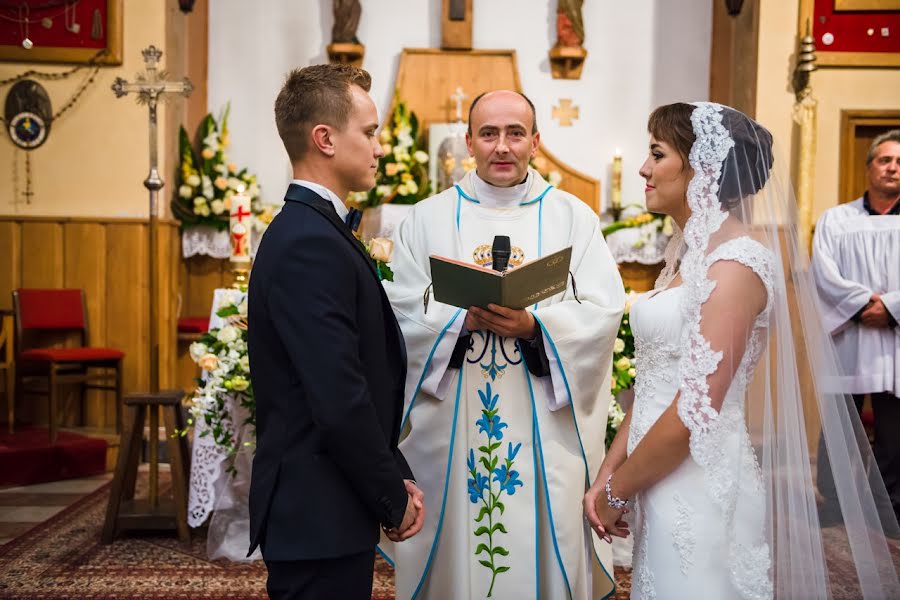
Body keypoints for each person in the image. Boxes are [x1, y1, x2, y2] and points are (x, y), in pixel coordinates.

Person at [584, 102, 899, 598]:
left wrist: (613, 493)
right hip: (656, 470)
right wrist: (612, 471)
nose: (644, 168)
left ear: (701, 168)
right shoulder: (685, 256)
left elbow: (696, 405)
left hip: (697, 479)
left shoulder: (736, 265)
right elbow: (655, 379)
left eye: (657, 153)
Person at [383, 90, 624, 599]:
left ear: (536, 141)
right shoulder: (427, 218)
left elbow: (603, 312)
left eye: (515, 133)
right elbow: (399, 312)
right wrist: (458, 321)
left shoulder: (572, 217)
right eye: (489, 134)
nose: (502, 146)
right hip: (452, 426)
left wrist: (536, 328)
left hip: (543, 426)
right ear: (468, 141)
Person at [247, 63, 424, 600]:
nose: (379, 147)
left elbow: (358, 374)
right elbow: (337, 395)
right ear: (324, 138)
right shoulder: (309, 242)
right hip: (315, 510)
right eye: (369, 133)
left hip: (327, 504)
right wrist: (389, 495)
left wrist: (392, 468)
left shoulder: (316, 229)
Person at [812, 130, 900, 522]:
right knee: (839, 430)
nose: (893, 168)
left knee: (894, 432)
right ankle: (834, 505)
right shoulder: (836, 219)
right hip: (848, 336)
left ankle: (890, 510)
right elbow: (824, 273)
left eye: (899, 162)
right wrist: (866, 304)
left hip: (894, 340)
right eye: (885, 160)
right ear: (869, 167)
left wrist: (892, 308)